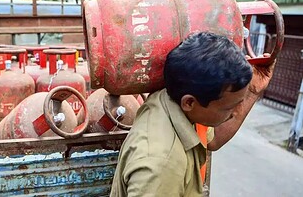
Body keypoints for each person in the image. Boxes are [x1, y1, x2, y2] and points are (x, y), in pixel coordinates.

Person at [110, 32, 275, 196]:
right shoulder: (162, 165)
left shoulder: (173, 98)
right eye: (229, 108)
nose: (235, 113)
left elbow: (214, 139)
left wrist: (252, 91)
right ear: (189, 102)